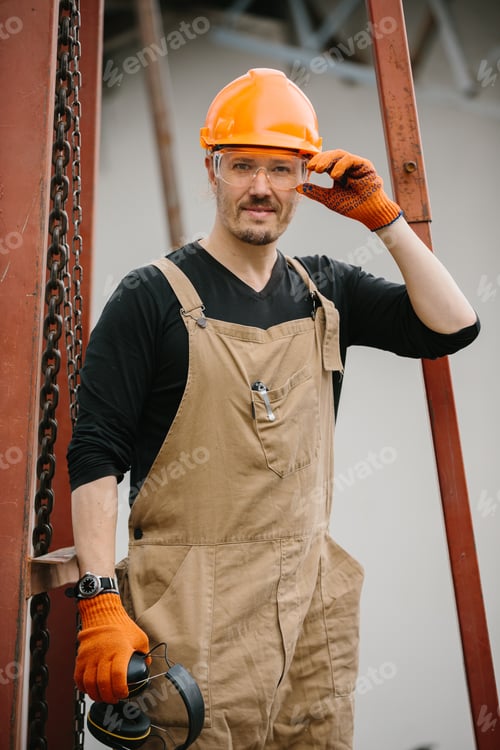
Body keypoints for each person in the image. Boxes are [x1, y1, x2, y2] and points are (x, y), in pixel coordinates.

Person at [67, 68, 479, 749]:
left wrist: (386, 221)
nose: (262, 188)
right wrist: (100, 599)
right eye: (244, 166)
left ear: (303, 180)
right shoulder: (150, 297)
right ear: (213, 170)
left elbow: (452, 327)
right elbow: (96, 452)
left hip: (307, 615)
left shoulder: (325, 289)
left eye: (282, 170)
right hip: (190, 620)